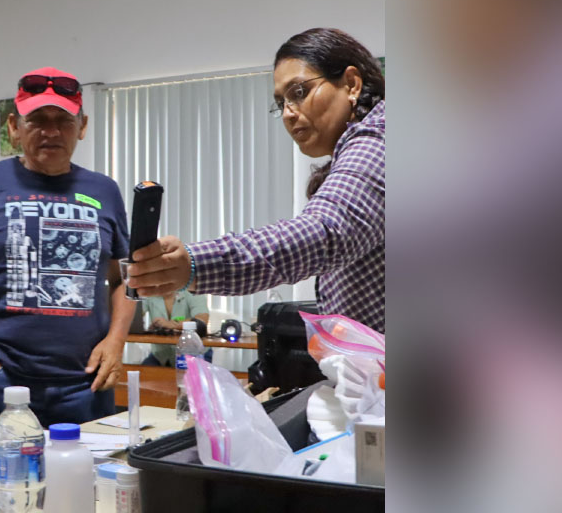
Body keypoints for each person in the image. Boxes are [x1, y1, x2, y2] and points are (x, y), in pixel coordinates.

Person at [128, 28, 385, 333]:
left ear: (351, 84)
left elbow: (324, 231)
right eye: (281, 103)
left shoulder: (379, 142)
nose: (288, 114)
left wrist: (196, 265)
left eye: (299, 92)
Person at [0, 67, 137, 444]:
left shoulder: (104, 190)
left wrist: (116, 341)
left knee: (90, 477)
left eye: (64, 121)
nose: (51, 131)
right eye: (37, 120)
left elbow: (125, 278)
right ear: (14, 126)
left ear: (82, 126)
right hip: (1, 382)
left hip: (86, 384)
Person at [140, 291, 210, 367]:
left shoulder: (193, 289)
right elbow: (135, 316)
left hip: (194, 353)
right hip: (160, 355)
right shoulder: (149, 291)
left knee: (188, 373)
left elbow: (202, 320)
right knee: (141, 372)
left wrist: (172, 324)